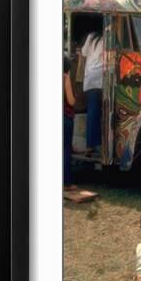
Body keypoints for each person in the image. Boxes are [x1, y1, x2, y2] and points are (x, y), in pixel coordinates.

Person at [81, 31, 104, 157]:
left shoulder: (90, 36)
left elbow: (84, 53)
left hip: (90, 78)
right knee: (101, 112)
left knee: (93, 112)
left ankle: (91, 144)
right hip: (101, 78)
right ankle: (96, 144)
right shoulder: (107, 36)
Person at [63, 54, 76, 190]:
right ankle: (66, 183)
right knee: (66, 150)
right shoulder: (65, 77)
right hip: (65, 118)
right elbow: (71, 100)